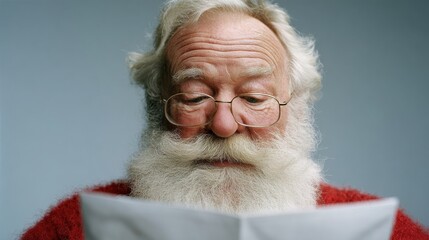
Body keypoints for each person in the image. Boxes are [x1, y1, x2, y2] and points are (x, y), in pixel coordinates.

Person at [21, 0, 429, 239]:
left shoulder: (387, 233)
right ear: (158, 104)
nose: (224, 125)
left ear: (296, 105)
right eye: (195, 96)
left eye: (254, 97)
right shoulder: (72, 229)